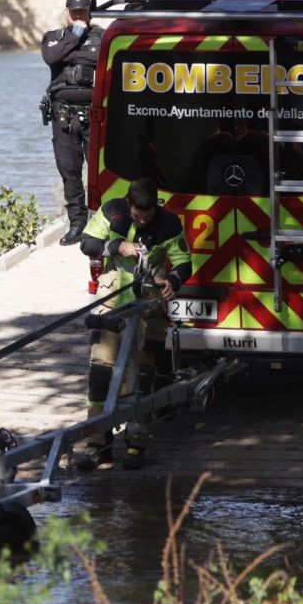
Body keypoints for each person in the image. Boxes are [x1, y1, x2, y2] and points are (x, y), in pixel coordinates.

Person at [75, 178, 190, 469]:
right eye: (137, 216)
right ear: (128, 204)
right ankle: (98, 443)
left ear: (155, 208)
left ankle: (137, 440)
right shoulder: (112, 211)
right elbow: (86, 243)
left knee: (142, 374)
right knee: (100, 372)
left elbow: (184, 263)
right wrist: (116, 246)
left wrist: (174, 280)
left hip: (149, 304)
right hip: (112, 299)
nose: (142, 222)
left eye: (148, 217)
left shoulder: (169, 224)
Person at [41, 0, 103, 245]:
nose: (79, 16)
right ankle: (77, 224)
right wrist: (74, 37)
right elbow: (51, 57)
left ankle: (100, 222)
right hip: (63, 115)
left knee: (99, 171)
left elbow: (101, 58)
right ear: (67, 12)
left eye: (83, 12)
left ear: (89, 13)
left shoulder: (102, 37)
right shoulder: (53, 37)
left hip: (94, 115)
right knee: (69, 171)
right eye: (74, 12)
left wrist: (68, 53)